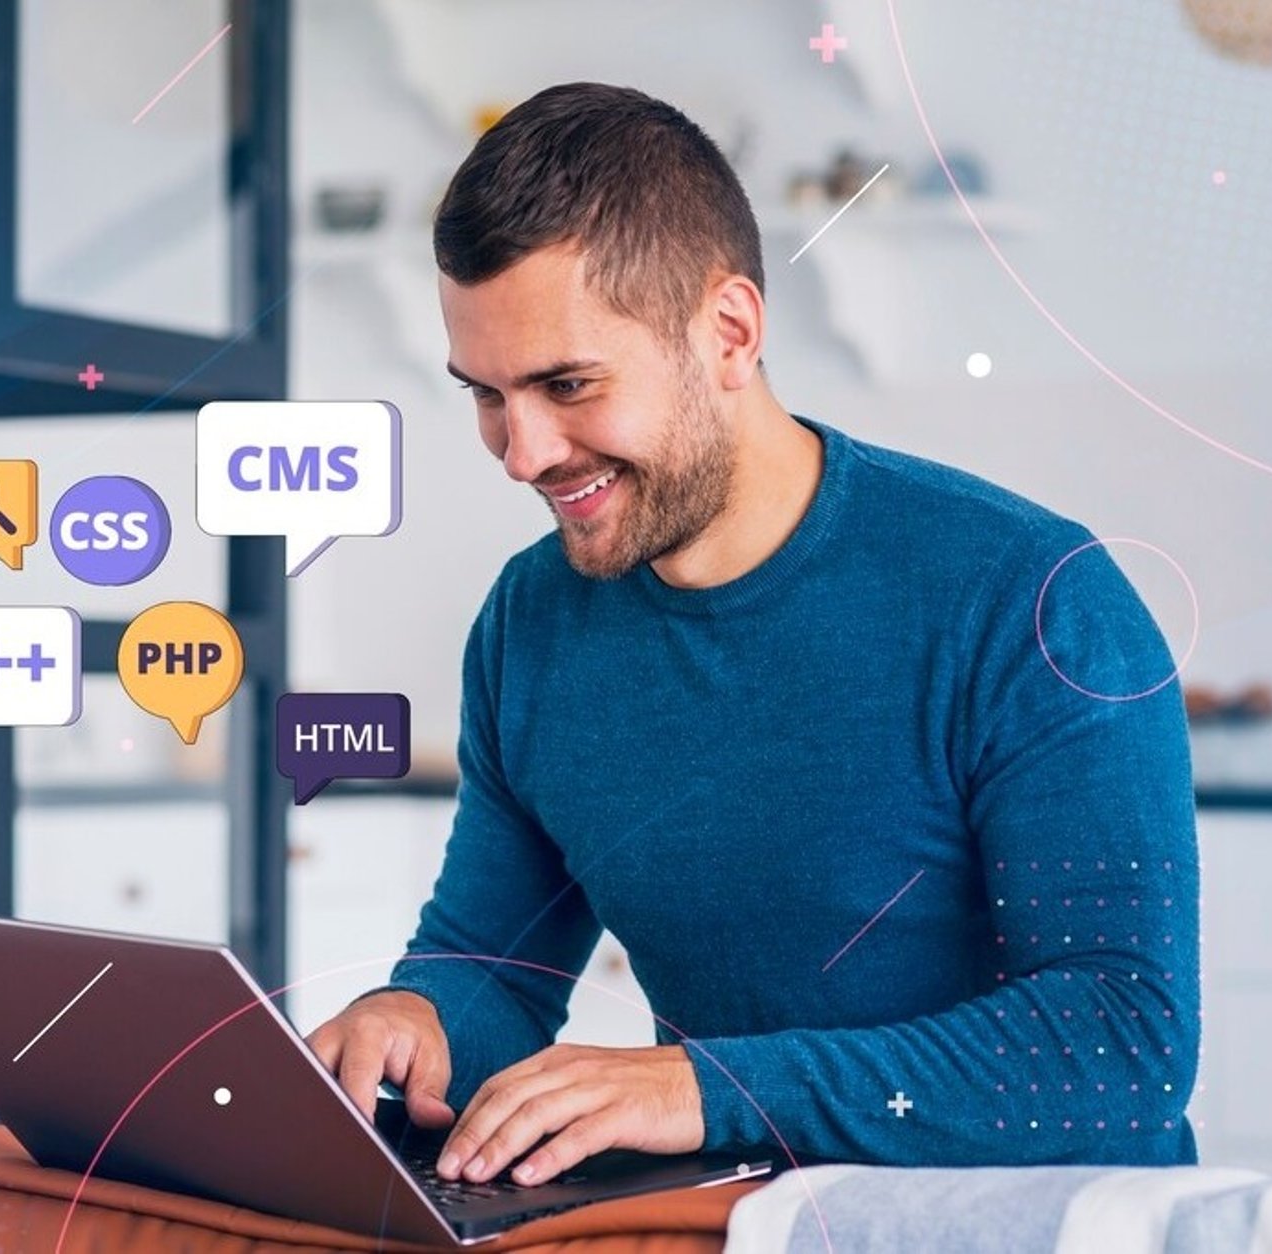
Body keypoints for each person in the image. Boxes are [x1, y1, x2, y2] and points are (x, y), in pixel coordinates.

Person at [304, 82, 1199, 1191]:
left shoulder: (1029, 598)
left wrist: (703, 1088)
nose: (522, 452)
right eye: (485, 394)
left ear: (728, 331)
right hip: (749, 1221)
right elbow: (494, 967)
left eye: (567, 384)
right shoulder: (530, 626)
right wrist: (417, 1018)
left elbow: (1119, 1051)